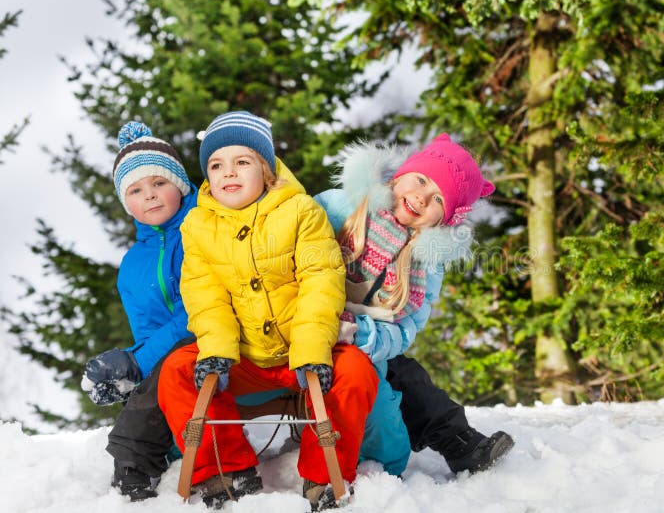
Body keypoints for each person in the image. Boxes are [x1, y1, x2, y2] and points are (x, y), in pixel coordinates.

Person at [155, 111, 378, 509]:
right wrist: (218, 351)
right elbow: (205, 296)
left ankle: (323, 475)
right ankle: (227, 469)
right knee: (176, 370)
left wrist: (312, 350)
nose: (228, 173)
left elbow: (321, 281)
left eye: (242, 161)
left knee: (357, 370)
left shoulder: (302, 212)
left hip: (303, 351)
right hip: (242, 357)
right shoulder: (198, 227)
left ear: (267, 169)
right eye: (216, 165)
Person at [315, 133, 515, 476]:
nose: (421, 197)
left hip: (364, 339)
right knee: (402, 377)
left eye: (438, 198)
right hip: (308, 321)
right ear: (400, 174)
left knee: (404, 376)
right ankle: (455, 438)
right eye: (421, 179)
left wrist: (361, 336)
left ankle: (456, 441)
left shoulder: (424, 260)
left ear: (445, 219)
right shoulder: (340, 206)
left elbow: (406, 330)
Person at [80, 121, 198, 501]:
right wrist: (134, 369)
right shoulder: (132, 267)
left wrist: (137, 360)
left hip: (222, 339)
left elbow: (200, 307)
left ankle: (135, 463)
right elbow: (148, 336)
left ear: (179, 184)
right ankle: (147, 463)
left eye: (159, 182)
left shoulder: (203, 227)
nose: (150, 195)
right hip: (175, 359)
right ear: (125, 201)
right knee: (155, 373)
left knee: (162, 364)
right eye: (136, 189)